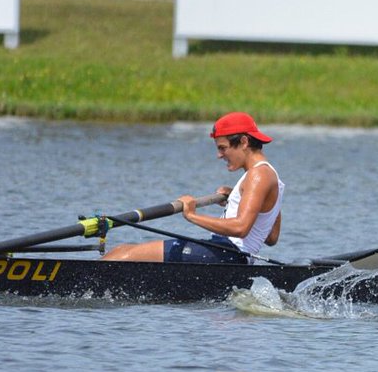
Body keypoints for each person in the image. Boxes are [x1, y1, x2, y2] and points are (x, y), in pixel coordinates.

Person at [102, 112, 284, 263]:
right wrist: (239, 198)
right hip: (229, 256)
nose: (219, 155)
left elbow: (240, 228)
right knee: (121, 250)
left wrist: (192, 215)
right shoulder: (269, 176)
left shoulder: (257, 175)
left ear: (244, 142)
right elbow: (271, 237)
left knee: (120, 255)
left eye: (223, 148)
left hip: (226, 254)